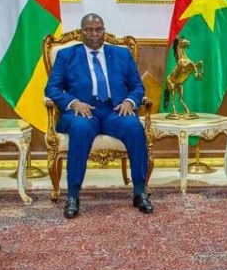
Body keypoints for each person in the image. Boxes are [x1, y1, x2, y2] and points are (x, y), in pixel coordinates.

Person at [45, 13, 152, 218]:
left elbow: (138, 86)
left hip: (115, 111)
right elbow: (52, 88)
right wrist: (73, 103)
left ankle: (140, 191)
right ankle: (73, 195)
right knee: (81, 129)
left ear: (104, 30)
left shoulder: (121, 54)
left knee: (134, 127)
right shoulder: (66, 56)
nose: (94, 34)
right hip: (82, 111)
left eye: (99, 29)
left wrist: (130, 102)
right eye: (89, 30)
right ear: (82, 31)